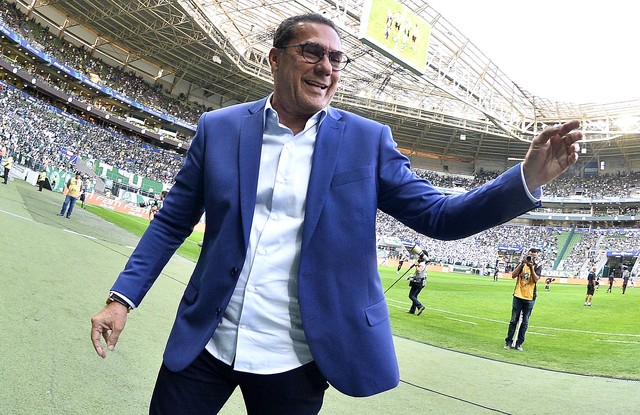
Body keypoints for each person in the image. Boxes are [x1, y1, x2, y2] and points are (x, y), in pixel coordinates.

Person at [90, 13, 582, 414]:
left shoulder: (367, 141)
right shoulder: (219, 128)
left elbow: (440, 217)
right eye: (312, 52)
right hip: (205, 342)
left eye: (336, 59)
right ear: (275, 58)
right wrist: (121, 299)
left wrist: (525, 178)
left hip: (297, 358)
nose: (326, 67)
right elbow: (172, 222)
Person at [504, 248, 542, 351]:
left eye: (534, 257)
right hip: (518, 295)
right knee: (513, 320)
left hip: (529, 297)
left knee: (525, 322)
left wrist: (531, 267)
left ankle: (519, 344)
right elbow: (513, 275)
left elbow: (536, 280)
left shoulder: (538, 266)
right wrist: (521, 264)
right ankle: (508, 342)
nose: (532, 258)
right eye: (530, 256)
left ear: (536, 257)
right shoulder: (522, 264)